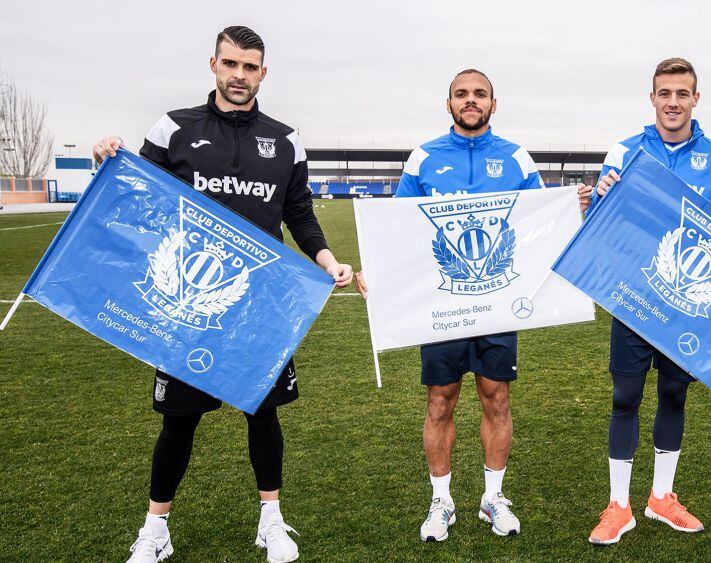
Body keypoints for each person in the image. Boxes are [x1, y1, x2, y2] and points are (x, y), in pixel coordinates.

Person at [93, 25, 353, 563]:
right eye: (230, 64)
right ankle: (155, 531)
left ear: (264, 72)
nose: (240, 75)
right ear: (213, 64)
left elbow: (298, 212)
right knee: (179, 420)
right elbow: (138, 195)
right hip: (187, 301)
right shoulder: (174, 127)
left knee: (263, 413)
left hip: (260, 306)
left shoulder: (285, 139)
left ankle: (272, 522)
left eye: (250, 66)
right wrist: (107, 159)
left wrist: (328, 261)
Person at [354, 68, 568, 542]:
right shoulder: (423, 158)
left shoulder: (516, 157)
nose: (470, 101)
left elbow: (540, 224)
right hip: (441, 306)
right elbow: (399, 230)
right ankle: (442, 501)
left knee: (496, 397)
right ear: (448, 103)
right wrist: (376, 269)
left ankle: (492, 498)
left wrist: (571, 206)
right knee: (440, 400)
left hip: (498, 305)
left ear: (494, 103)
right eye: (461, 94)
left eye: (479, 94)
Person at [578, 58, 711, 546]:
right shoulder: (624, 150)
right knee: (624, 397)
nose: (673, 102)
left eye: (682, 93)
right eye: (664, 93)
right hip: (635, 298)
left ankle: (661, 497)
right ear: (651, 98)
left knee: (675, 394)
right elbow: (599, 229)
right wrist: (597, 200)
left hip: (688, 303)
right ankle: (618, 506)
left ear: (696, 99)